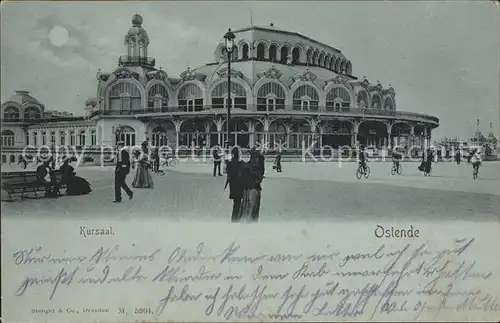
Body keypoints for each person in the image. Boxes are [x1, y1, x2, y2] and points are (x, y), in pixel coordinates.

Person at [239, 149, 264, 222]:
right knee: (253, 210)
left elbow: (241, 176)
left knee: (247, 209)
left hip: (248, 189)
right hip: (255, 189)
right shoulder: (258, 167)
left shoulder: (246, 165)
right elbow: (259, 179)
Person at [225, 146, 244, 222]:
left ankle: (234, 218)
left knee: (236, 203)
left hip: (233, 186)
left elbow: (228, 173)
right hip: (240, 186)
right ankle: (236, 219)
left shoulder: (230, 164)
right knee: (238, 203)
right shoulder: (241, 164)